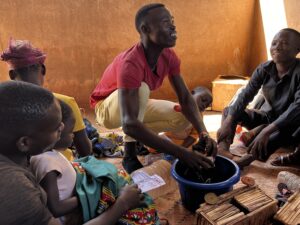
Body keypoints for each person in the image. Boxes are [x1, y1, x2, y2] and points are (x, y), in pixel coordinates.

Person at [0, 81, 153, 225]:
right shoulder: (15, 187)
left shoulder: (17, 157)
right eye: (56, 129)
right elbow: (56, 208)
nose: (62, 127)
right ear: (25, 143)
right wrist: (122, 204)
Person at [90, 3, 216, 173]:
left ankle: (142, 138)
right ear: (145, 29)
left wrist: (204, 133)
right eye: (165, 22)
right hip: (106, 109)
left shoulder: (169, 56)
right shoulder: (131, 63)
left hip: (133, 104)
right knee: (142, 90)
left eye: (172, 21)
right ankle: (129, 154)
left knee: (183, 116)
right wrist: (182, 153)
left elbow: (186, 98)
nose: (173, 26)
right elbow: (129, 125)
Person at [30, 100, 162, 225]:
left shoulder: (50, 156)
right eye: (70, 132)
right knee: (124, 196)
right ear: (56, 132)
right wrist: (94, 195)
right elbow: (56, 208)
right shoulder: (45, 161)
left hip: (82, 201)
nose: (73, 136)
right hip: (76, 214)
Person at [217, 28, 300, 167]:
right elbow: (246, 95)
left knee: (275, 136)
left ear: (297, 49)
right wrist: (229, 120)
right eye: (274, 43)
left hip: (289, 124)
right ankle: (223, 150)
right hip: (268, 117)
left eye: (284, 43)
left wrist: (267, 131)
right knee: (229, 111)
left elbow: (297, 108)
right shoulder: (265, 68)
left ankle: (246, 159)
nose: (277, 47)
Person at [0, 39, 92, 157]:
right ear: (43, 69)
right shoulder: (64, 103)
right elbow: (85, 150)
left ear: (12, 75)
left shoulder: (5, 105)